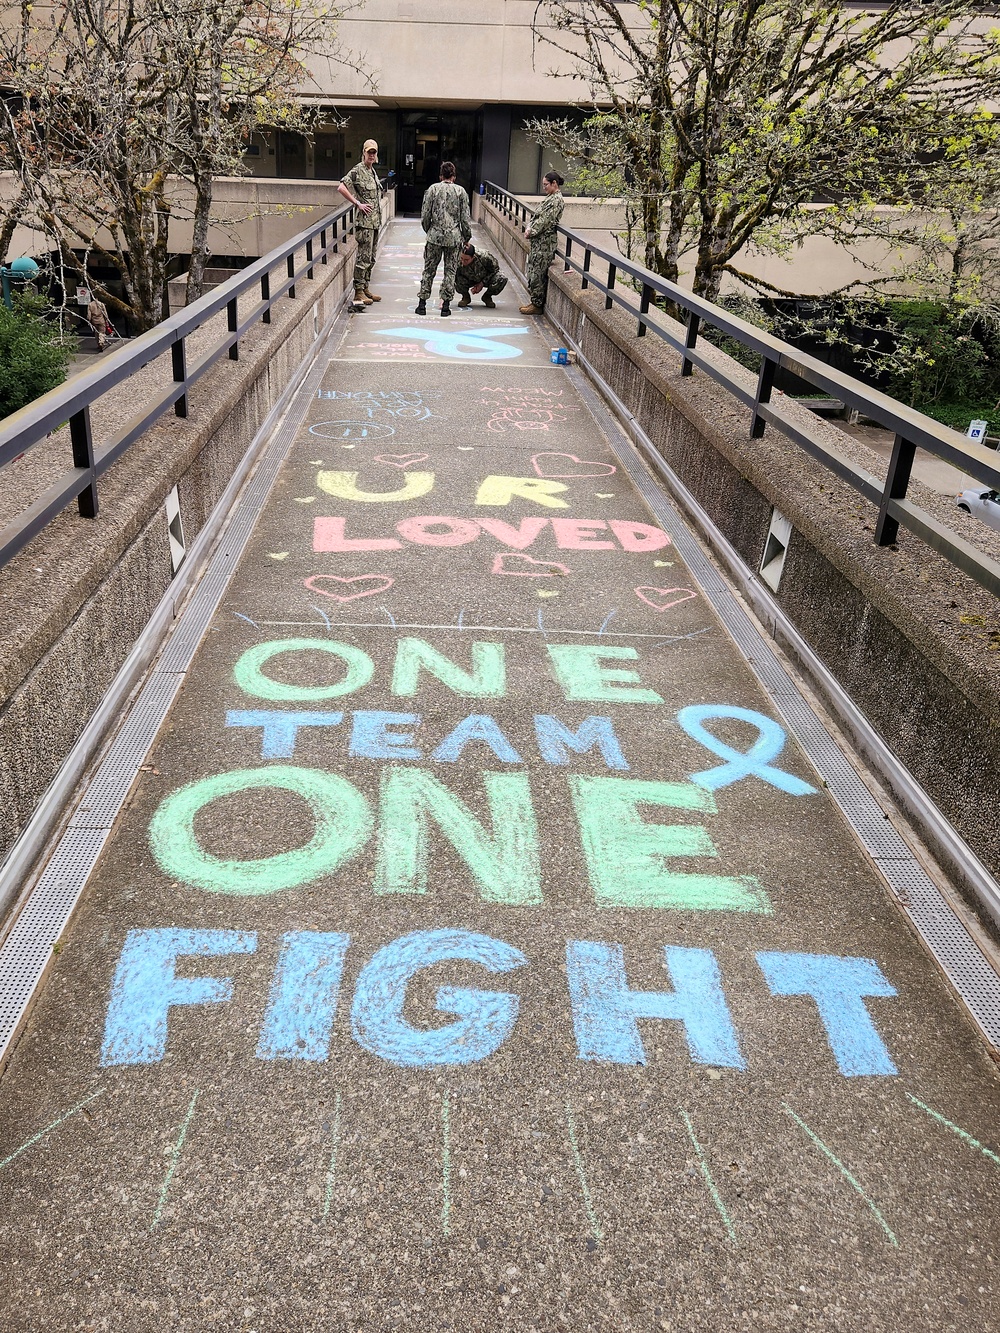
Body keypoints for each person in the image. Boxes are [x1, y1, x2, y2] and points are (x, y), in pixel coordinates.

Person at [415, 162, 472, 318]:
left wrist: (429, 230)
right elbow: (465, 219)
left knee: (429, 270)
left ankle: (422, 304)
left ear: (441, 176)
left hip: (435, 236)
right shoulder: (461, 192)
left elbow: (425, 215)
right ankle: (446, 306)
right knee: (450, 271)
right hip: (453, 238)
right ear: (454, 176)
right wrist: (466, 237)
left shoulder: (432, 190)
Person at [338, 139, 383, 307]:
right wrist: (357, 203)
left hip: (375, 222)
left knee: (371, 258)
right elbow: (341, 187)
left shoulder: (372, 171)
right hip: (365, 223)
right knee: (363, 258)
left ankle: (365, 288)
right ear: (363, 152)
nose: (371, 155)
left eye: (374, 152)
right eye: (369, 152)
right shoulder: (358, 170)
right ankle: (358, 292)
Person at [520, 170, 565, 315]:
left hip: (544, 244)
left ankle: (537, 304)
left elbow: (546, 221)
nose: (544, 187)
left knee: (538, 274)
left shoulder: (556, 200)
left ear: (554, 184)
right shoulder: (550, 198)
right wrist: (530, 227)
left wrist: (531, 231)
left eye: (546, 185)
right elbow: (537, 217)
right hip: (539, 243)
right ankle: (534, 301)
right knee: (533, 271)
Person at [455, 242, 508, 308]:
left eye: (466, 260)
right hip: (468, 278)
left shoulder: (485, 257)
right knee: (454, 278)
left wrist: (482, 283)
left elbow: (495, 270)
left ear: (473, 257)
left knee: (501, 278)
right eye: (462, 259)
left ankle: (487, 296)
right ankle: (465, 297)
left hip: (485, 277)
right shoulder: (456, 258)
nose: (463, 262)